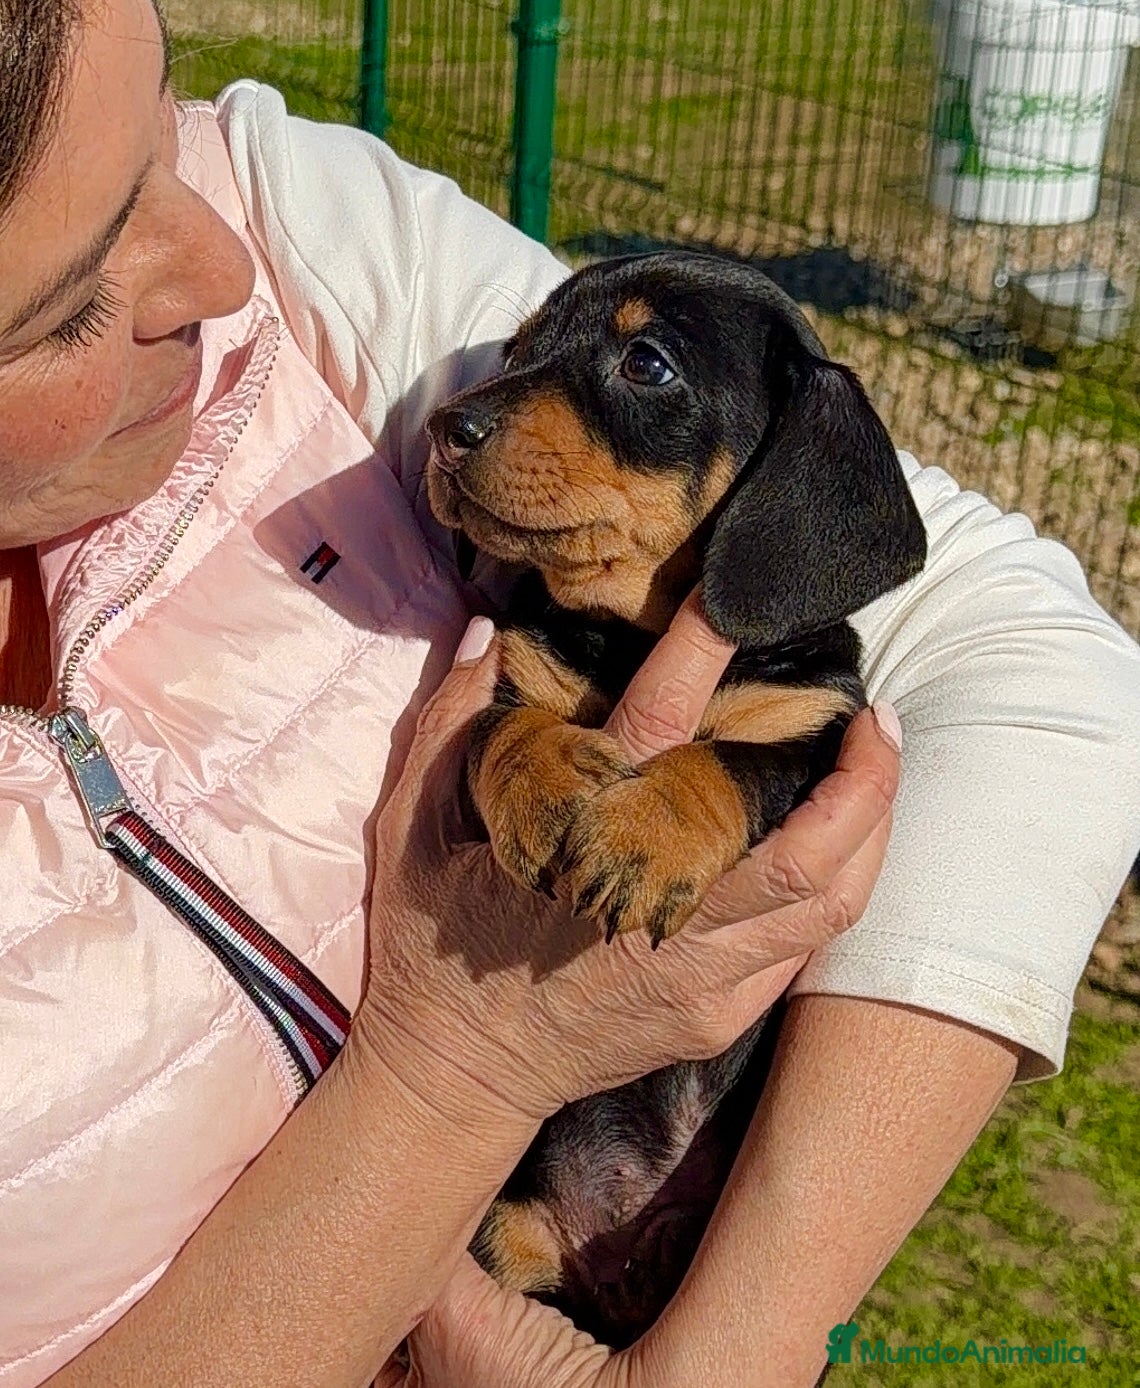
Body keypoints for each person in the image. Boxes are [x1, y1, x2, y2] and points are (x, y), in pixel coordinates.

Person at [0, 2, 1138, 1386]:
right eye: (64, 306)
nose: (221, 264)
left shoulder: (311, 252)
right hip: (511, 1246)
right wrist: (467, 1053)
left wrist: (739, 1343)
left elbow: (1022, 649)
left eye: (162, 140)